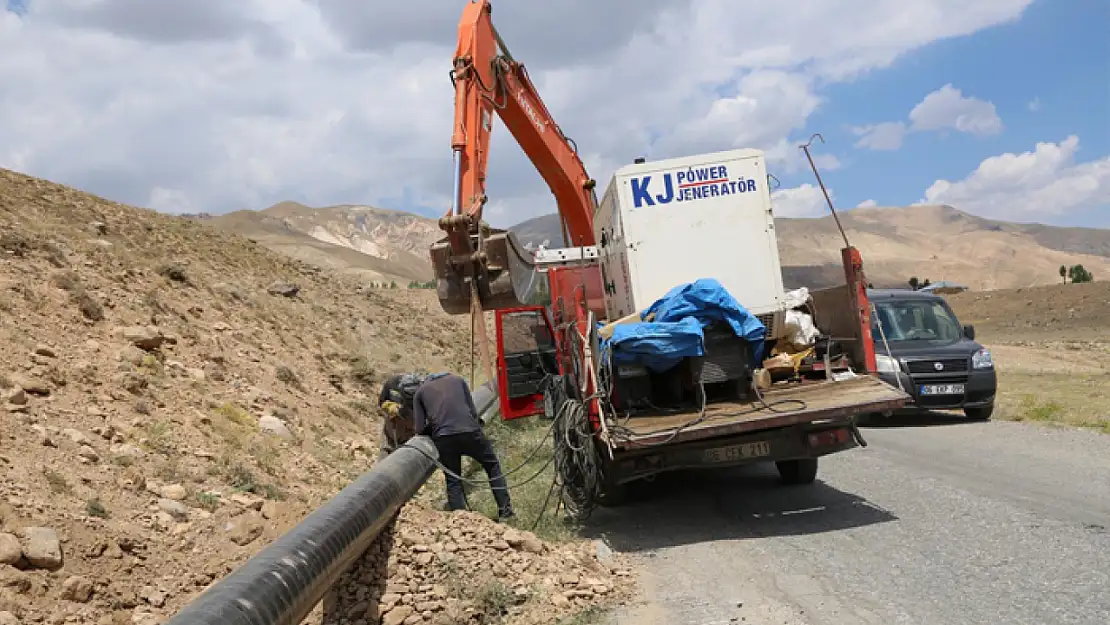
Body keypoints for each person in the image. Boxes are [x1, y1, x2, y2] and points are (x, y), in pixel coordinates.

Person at [412, 372, 514, 520]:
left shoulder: (420, 392)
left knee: (453, 479)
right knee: (492, 466)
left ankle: (462, 521)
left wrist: (435, 426)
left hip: (444, 437)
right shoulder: (457, 380)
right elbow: (473, 412)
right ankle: (506, 511)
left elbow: (420, 429)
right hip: (470, 431)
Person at [376, 372, 421, 460]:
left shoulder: (423, 392)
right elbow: (381, 403)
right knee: (384, 458)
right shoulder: (391, 385)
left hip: (410, 432)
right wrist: (389, 407)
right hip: (391, 430)